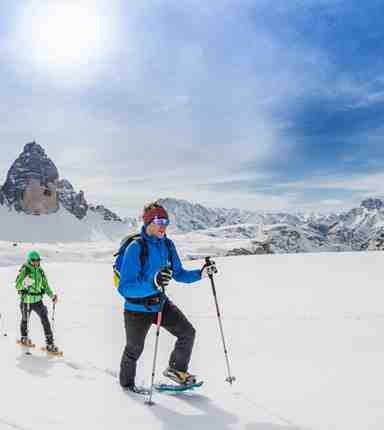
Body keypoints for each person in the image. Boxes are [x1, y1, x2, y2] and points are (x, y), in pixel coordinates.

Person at [117, 201, 217, 393]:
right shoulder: (136, 248)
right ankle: (127, 387)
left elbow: (178, 273)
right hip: (136, 308)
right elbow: (125, 288)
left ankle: (176, 369)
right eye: (159, 220)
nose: (164, 225)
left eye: (166, 221)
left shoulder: (168, 245)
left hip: (159, 303)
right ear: (148, 223)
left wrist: (201, 274)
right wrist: (152, 283)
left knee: (187, 332)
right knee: (134, 350)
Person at [15, 250, 59, 352]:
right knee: (25, 320)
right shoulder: (25, 270)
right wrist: (26, 282)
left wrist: (52, 296)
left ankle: (50, 344)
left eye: (38, 260)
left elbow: (46, 286)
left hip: (38, 301)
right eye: (34, 260)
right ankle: (24, 338)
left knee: (45, 320)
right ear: (30, 260)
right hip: (26, 300)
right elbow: (18, 285)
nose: (36, 262)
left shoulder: (40, 271)